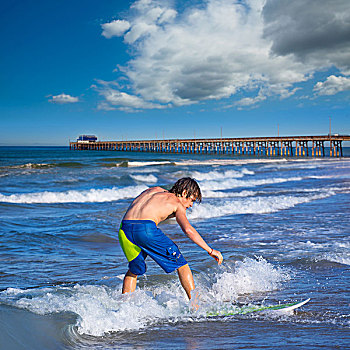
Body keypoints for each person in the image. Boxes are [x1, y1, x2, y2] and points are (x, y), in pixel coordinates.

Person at [118, 177, 223, 301]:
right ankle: (196, 305)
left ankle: (124, 306)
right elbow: (188, 230)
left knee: (134, 270)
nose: (191, 205)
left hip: (124, 230)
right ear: (184, 193)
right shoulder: (177, 204)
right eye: (191, 200)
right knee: (182, 265)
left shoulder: (153, 190)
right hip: (146, 230)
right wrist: (210, 250)